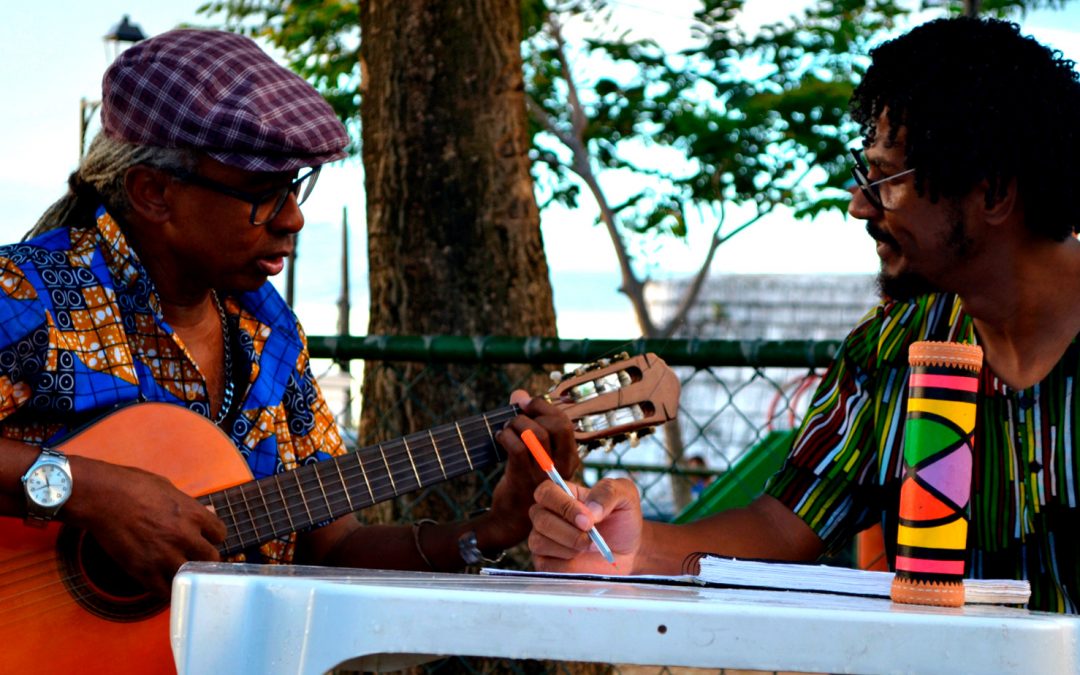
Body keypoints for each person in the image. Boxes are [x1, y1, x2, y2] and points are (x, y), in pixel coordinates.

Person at [527, 16, 1080, 614]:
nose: (857, 205)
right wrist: (635, 547)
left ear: (994, 194)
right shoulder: (887, 351)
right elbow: (784, 528)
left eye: (887, 179)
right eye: (862, 176)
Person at [0, 28, 576, 600]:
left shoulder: (271, 335)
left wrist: (490, 531)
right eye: (261, 191)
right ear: (154, 193)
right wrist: (90, 493)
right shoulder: (26, 294)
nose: (292, 218)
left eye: (295, 186)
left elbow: (332, 550)